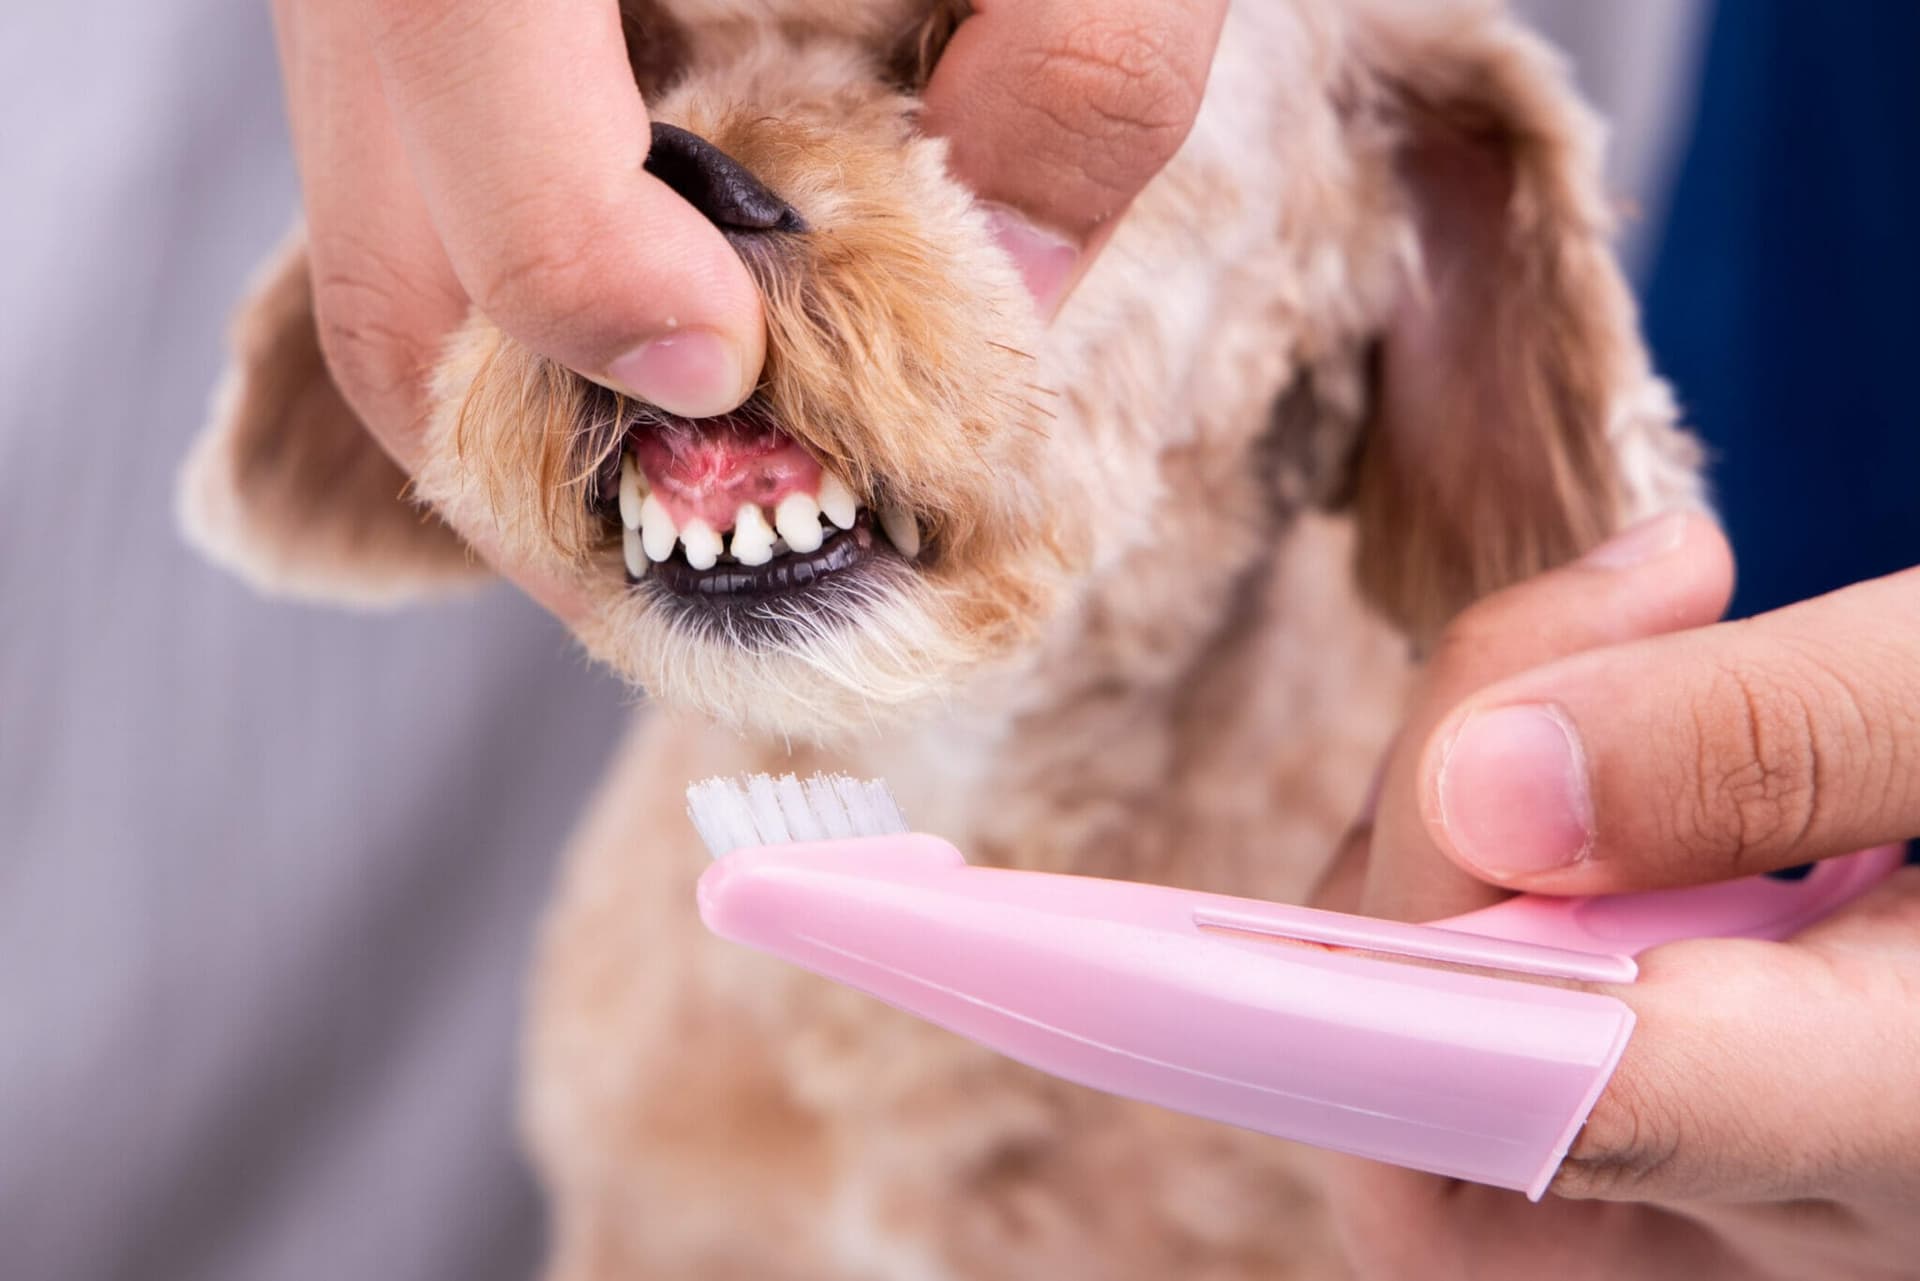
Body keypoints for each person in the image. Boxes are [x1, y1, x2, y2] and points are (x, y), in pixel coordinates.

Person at [3, 3, 1908, 1280]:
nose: (703, 192)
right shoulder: (632, 1024)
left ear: (1384, 247)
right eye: (652, 60)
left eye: (930, 80)